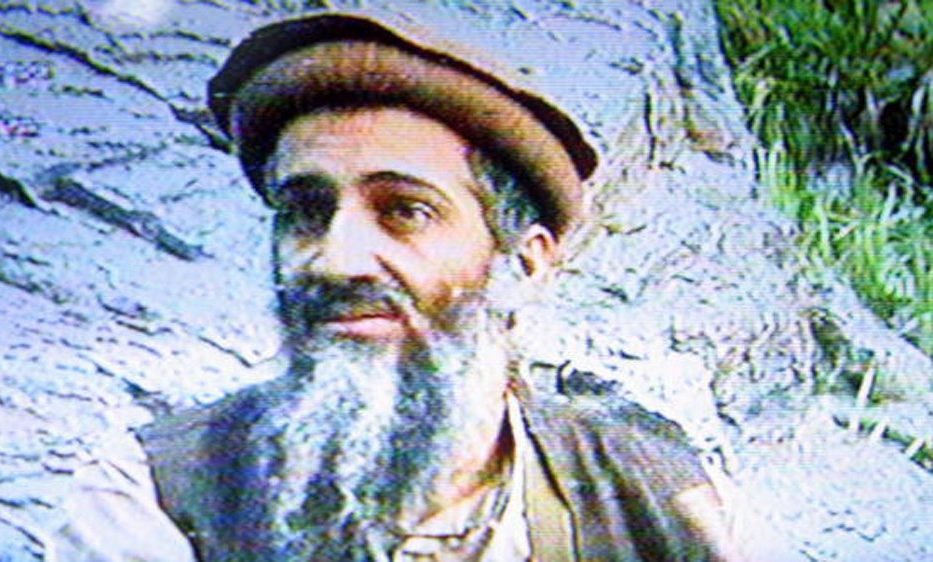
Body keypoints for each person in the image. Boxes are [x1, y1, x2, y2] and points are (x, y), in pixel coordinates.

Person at [57, 12, 744, 561]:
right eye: (305, 213)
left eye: (406, 211)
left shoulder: (660, 497)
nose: (336, 260)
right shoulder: (153, 494)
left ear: (525, 263)